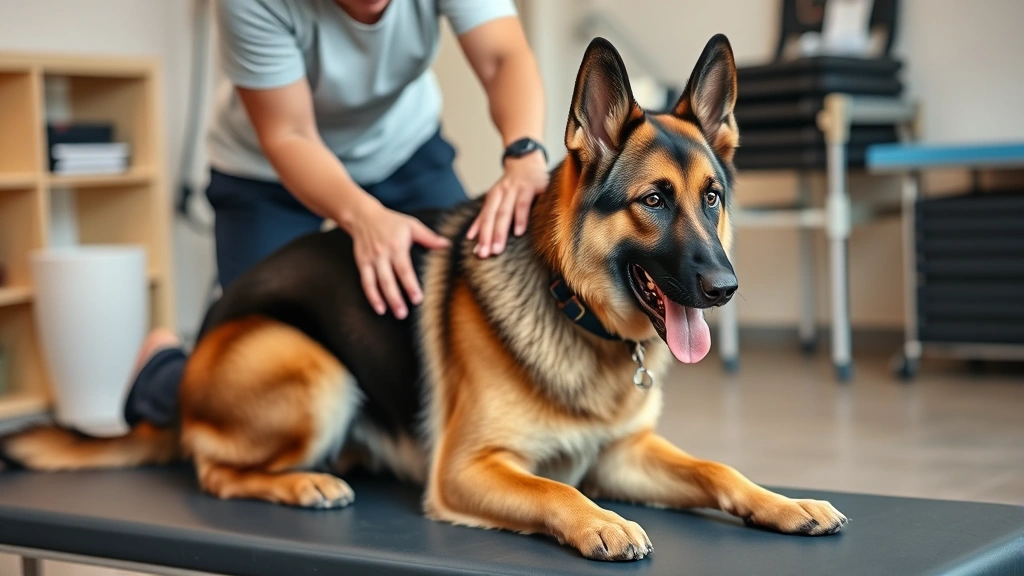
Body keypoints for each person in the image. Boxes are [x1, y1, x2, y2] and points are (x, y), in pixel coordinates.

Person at [123, 0, 548, 427]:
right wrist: (363, 216)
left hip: (402, 147)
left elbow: (502, 58)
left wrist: (525, 153)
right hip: (267, 171)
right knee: (248, 382)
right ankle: (161, 373)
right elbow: (289, 133)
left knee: (453, 315)